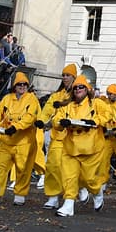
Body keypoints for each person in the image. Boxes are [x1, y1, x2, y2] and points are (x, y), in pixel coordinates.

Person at [55, 74, 106, 217]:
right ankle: (68, 204)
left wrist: (94, 121)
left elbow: (107, 116)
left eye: (81, 87)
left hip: (91, 148)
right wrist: (61, 123)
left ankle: (97, 192)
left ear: (87, 89)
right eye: (76, 87)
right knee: (68, 177)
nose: (78, 89)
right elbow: (56, 120)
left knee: (88, 179)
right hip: (70, 147)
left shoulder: (96, 103)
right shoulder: (68, 106)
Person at [0, 71, 40, 206]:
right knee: (0, 168)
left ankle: (20, 193)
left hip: (23, 141)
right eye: (19, 84)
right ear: (14, 85)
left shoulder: (32, 99)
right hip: (6, 141)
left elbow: (30, 117)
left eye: (24, 84)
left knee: (22, 168)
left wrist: (16, 127)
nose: (22, 86)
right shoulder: (7, 98)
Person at [38, 64, 77, 211]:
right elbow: (47, 109)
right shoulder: (56, 94)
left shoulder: (79, 92)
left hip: (74, 139)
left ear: (74, 77)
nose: (65, 77)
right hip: (58, 136)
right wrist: (41, 120)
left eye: (68, 75)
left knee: (70, 170)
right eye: (64, 75)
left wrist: (62, 104)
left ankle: (71, 196)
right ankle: (53, 196)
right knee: (53, 166)